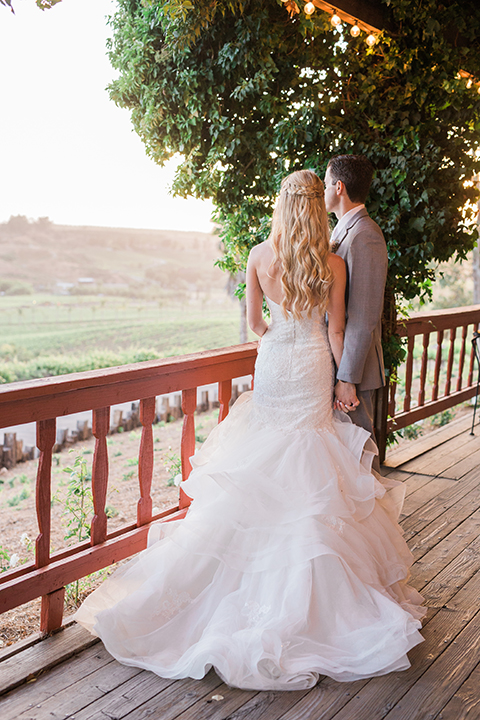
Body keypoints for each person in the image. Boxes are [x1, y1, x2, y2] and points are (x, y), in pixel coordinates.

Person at [74, 170, 425, 691]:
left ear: (281, 207)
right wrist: (342, 383)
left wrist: (280, 334)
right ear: (314, 209)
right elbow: (334, 329)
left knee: (263, 457)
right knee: (311, 460)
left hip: (276, 364)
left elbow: (255, 324)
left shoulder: (259, 256)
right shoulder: (331, 264)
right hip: (311, 367)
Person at [324, 155, 388, 469]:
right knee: (343, 462)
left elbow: (363, 317)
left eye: (325, 184)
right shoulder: (341, 232)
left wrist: (347, 378)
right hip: (338, 363)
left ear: (339, 187)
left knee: (362, 459)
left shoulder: (365, 235)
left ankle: (379, 520)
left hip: (355, 370)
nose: (323, 191)